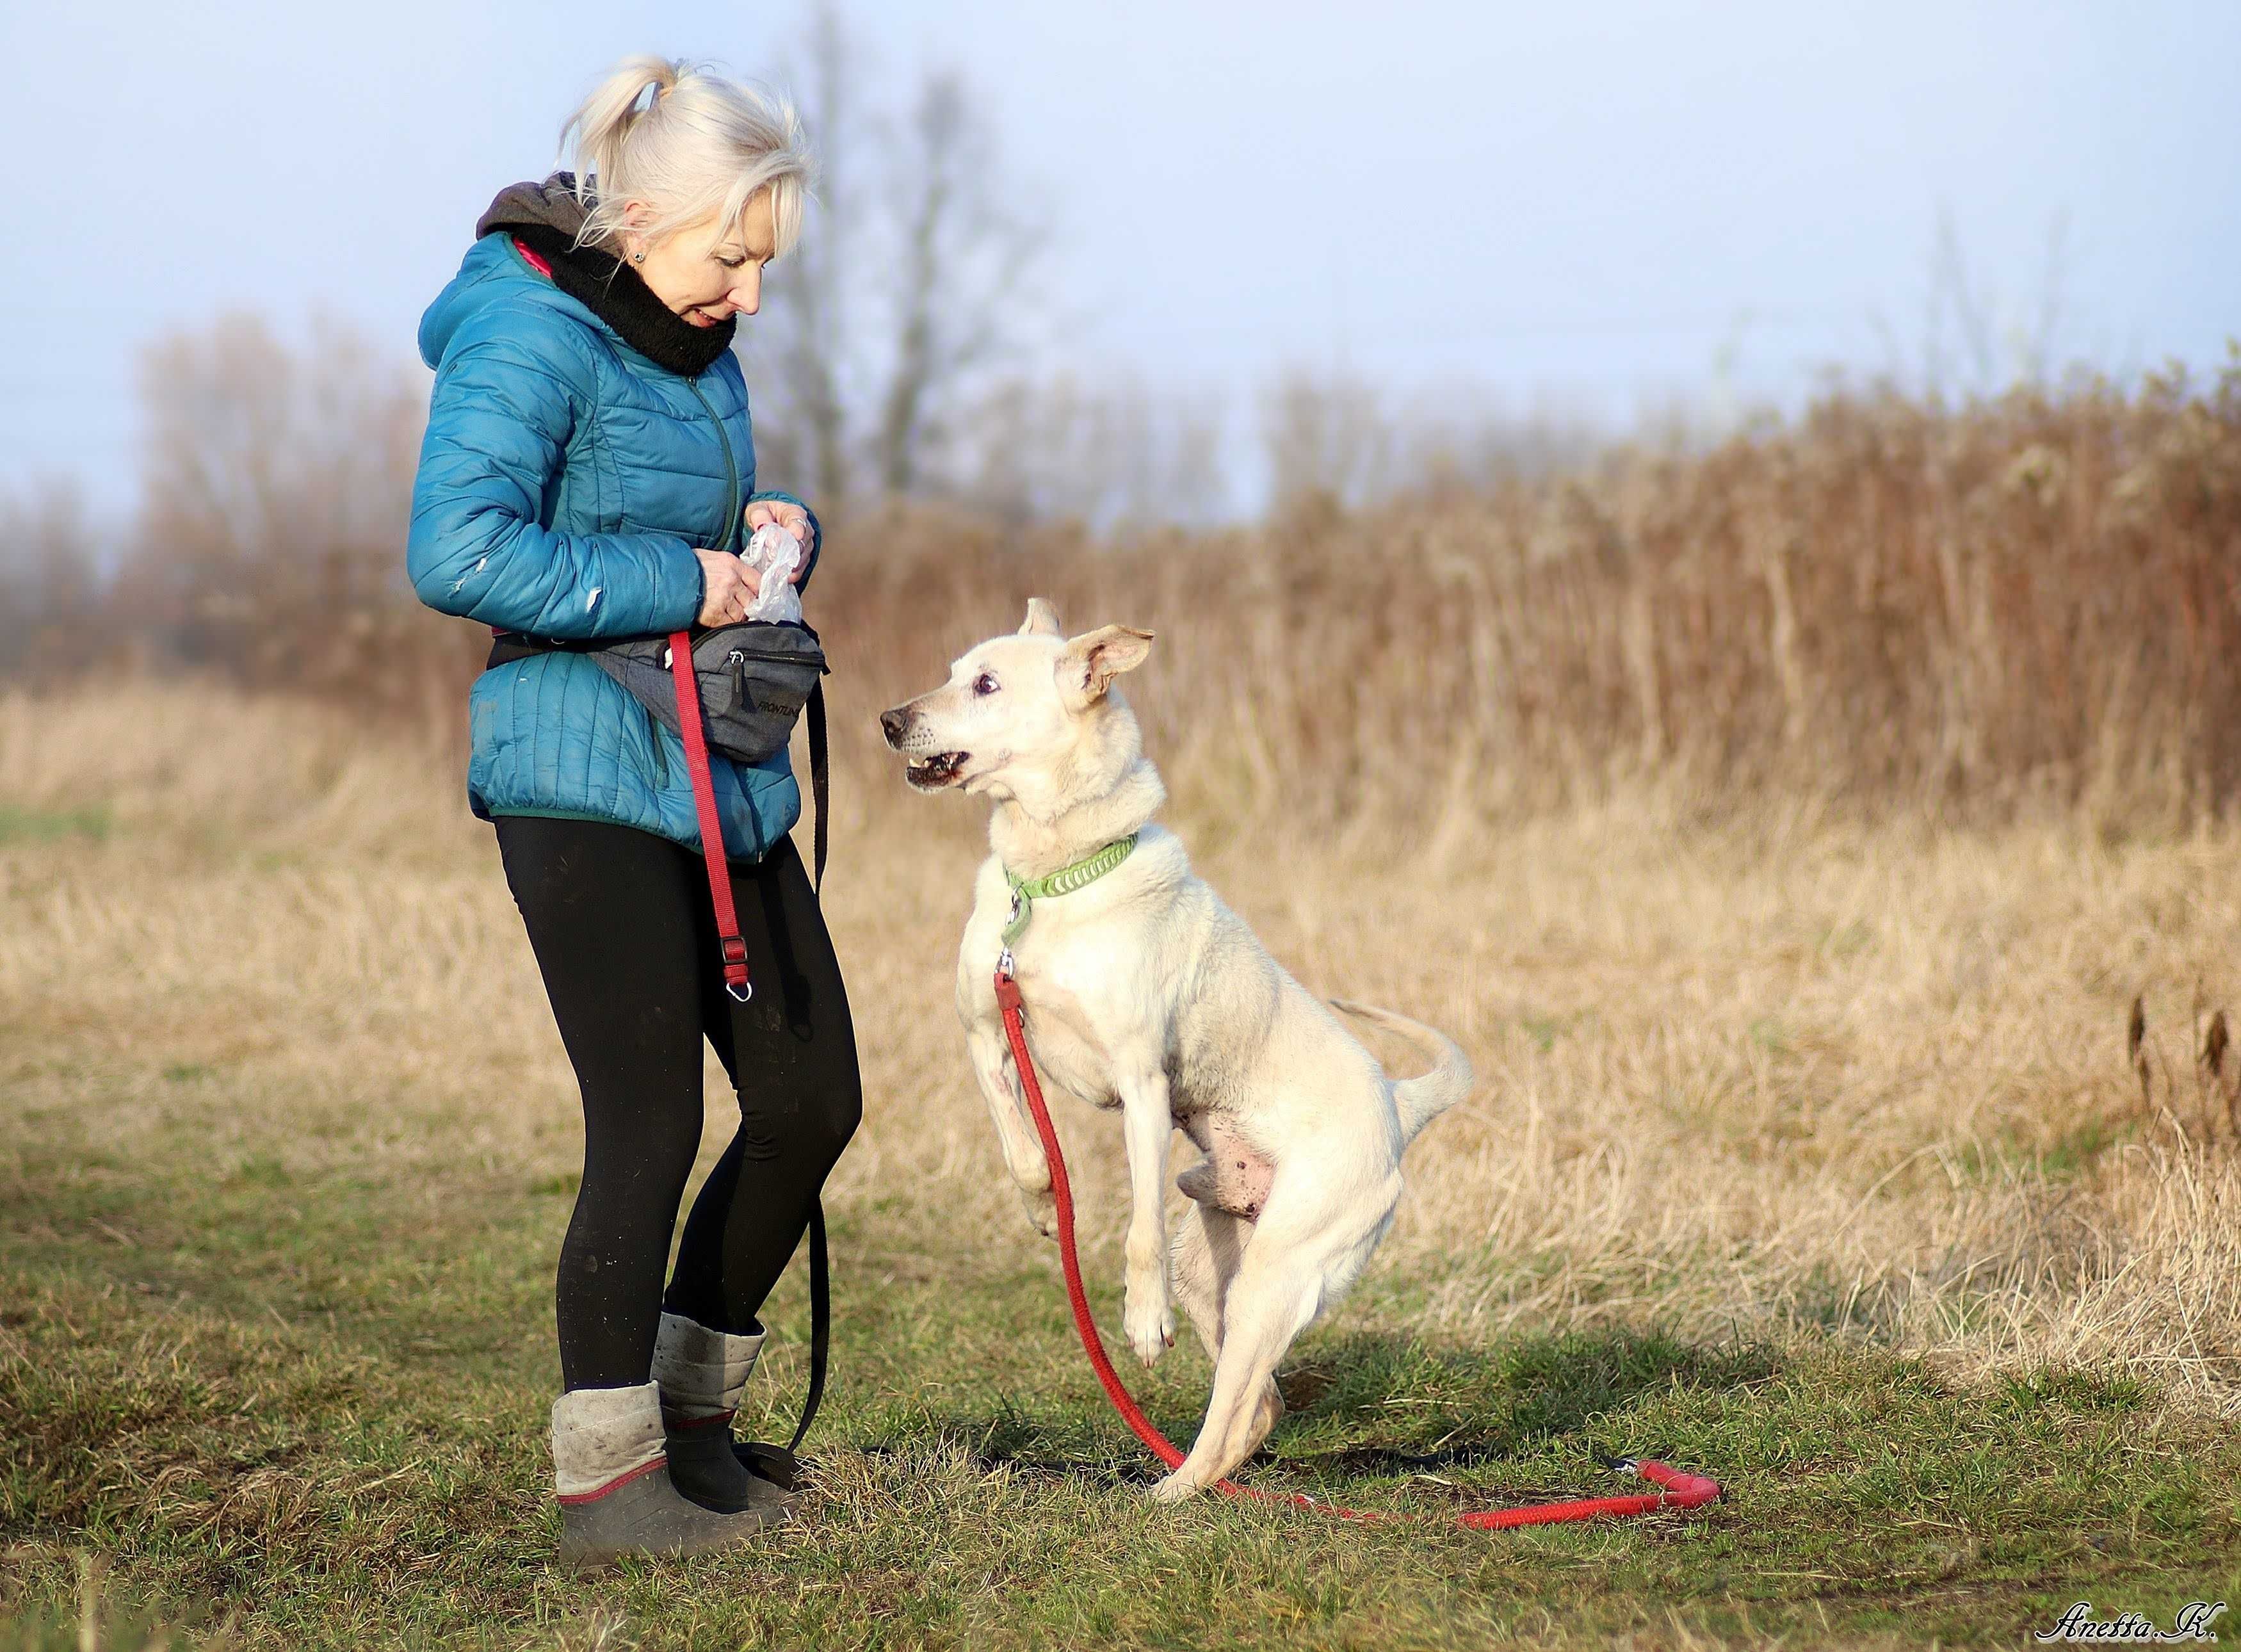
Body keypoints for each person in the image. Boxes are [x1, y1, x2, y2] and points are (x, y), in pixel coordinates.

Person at [405, 54, 862, 1567]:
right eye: (732, 254)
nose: (746, 293)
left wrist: (765, 529)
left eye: (762, 267)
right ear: (646, 215)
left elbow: (664, 507)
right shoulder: (524, 328)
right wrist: (689, 578)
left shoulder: (690, 327)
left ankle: (693, 1417)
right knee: (650, 1119)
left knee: (810, 1097)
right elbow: (458, 549)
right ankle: (609, 1487)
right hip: (574, 770)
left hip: (714, 768)